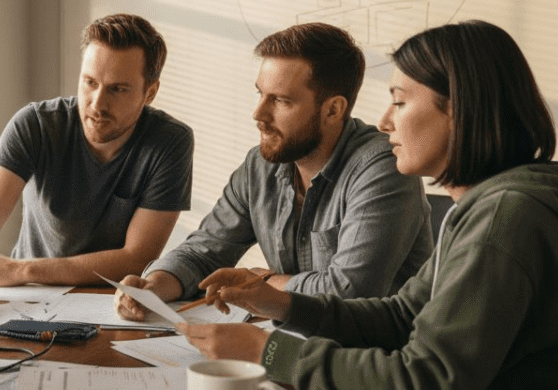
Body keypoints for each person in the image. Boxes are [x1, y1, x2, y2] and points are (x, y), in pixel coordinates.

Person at [179, 20, 558, 390]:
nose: (386, 120)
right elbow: (399, 317)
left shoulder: (504, 219)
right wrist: (282, 305)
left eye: (400, 100)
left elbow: (425, 381)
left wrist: (268, 352)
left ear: (459, 112)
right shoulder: (492, 202)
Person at [114, 22, 432, 321]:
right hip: (294, 339)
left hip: (374, 351)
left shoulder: (384, 167)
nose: (259, 114)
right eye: (260, 94)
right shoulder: (261, 165)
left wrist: (261, 280)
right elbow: (203, 253)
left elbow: (349, 292)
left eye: (280, 101)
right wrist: (155, 285)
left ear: (333, 110)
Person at [0, 13, 194, 326]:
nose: (97, 104)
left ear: (150, 92)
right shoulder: (35, 124)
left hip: (111, 308)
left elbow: (136, 257)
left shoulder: (171, 142)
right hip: (27, 300)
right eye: (90, 83)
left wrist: (22, 270)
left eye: (118, 89)